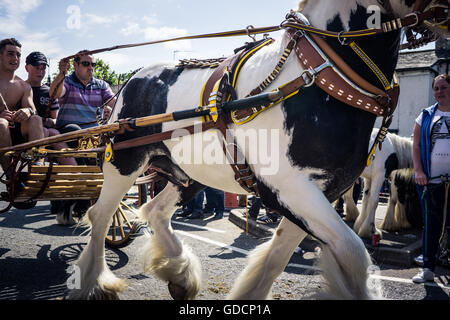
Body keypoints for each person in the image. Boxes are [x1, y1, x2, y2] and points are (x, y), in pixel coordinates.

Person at [49, 50, 116, 224]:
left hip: (94, 136)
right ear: (76, 65)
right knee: (76, 132)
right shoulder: (68, 82)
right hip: (69, 132)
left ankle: (80, 205)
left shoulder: (101, 85)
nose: (91, 68)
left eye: (92, 64)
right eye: (86, 64)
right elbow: (55, 94)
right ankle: (78, 206)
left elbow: (114, 104)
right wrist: (61, 73)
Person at [412, 74, 450, 284]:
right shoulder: (425, 115)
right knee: (431, 224)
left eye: (443, 87)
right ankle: (427, 269)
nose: (438, 91)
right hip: (429, 180)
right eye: (435, 88)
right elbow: (415, 144)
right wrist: (419, 171)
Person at [25, 51, 76, 166]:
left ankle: (74, 170)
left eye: (43, 68)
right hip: (24, 130)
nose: (40, 72)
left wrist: (48, 121)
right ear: (27, 68)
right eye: (37, 68)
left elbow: (55, 119)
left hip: (47, 131)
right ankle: (38, 166)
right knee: (46, 131)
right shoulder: (21, 87)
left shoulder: (49, 92)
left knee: (52, 131)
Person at [0, 38, 44, 173]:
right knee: (1, 123)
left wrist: (28, 111)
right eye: (10, 54)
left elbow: (33, 110)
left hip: (16, 131)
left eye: (18, 55)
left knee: (36, 119)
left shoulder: (24, 86)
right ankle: (11, 176)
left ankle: (37, 170)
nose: (15, 58)